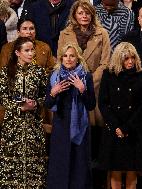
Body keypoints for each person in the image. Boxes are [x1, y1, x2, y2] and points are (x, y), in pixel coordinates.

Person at [96, 42, 142, 189]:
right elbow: (103, 103)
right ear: (118, 59)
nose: (130, 61)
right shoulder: (109, 74)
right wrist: (116, 126)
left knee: (132, 169)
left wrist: (126, 128)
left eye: (132, 58)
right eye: (126, 58)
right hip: (113, 129)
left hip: (133, 130)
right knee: (115, 169)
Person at [45, 43, 96, 189]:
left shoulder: (86, 76)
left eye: (72, 56)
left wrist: (82, 90)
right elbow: (48, 104)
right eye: (65, 56)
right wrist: (53, 92)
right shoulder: (54, 76)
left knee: (79, 164)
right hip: (61, 127)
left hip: (80, 127)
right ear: (61, 58)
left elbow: (91, 105)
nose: (68, 59)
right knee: (60, 164)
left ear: (78, 58)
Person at [0, 37, 48, 188]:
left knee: (35, 163)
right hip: (13, 126)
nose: (31, 53)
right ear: (17, 53)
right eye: (27, 50)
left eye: (32, 50)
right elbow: (4, 98)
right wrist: (20, 108)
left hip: (33, 125)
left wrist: (36, 104)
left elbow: (44, 96)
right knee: (12, 164)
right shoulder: (6, 72)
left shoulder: (39, 72)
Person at [57, 0, 111, 126]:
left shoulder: (102, 33)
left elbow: (105, 63)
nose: (84, 16)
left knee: (93, 126)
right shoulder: (64, 34)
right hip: (69, 86)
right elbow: (61, 60)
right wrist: (72, 81)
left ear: (92, 14)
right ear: (74, 15)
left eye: (87, 13)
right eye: (80, 13)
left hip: (95, 86)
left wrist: (89, 81)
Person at [0, 18, 55, 132]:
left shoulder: (44, 47)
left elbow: (51, 70)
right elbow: (4, 78)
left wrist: (36, 81)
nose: (29, 32)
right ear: (18, 32)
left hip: (38, 102)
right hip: (14, 105)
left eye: (32, 29)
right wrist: (21, 102)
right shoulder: (7, 49)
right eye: (25, 29)